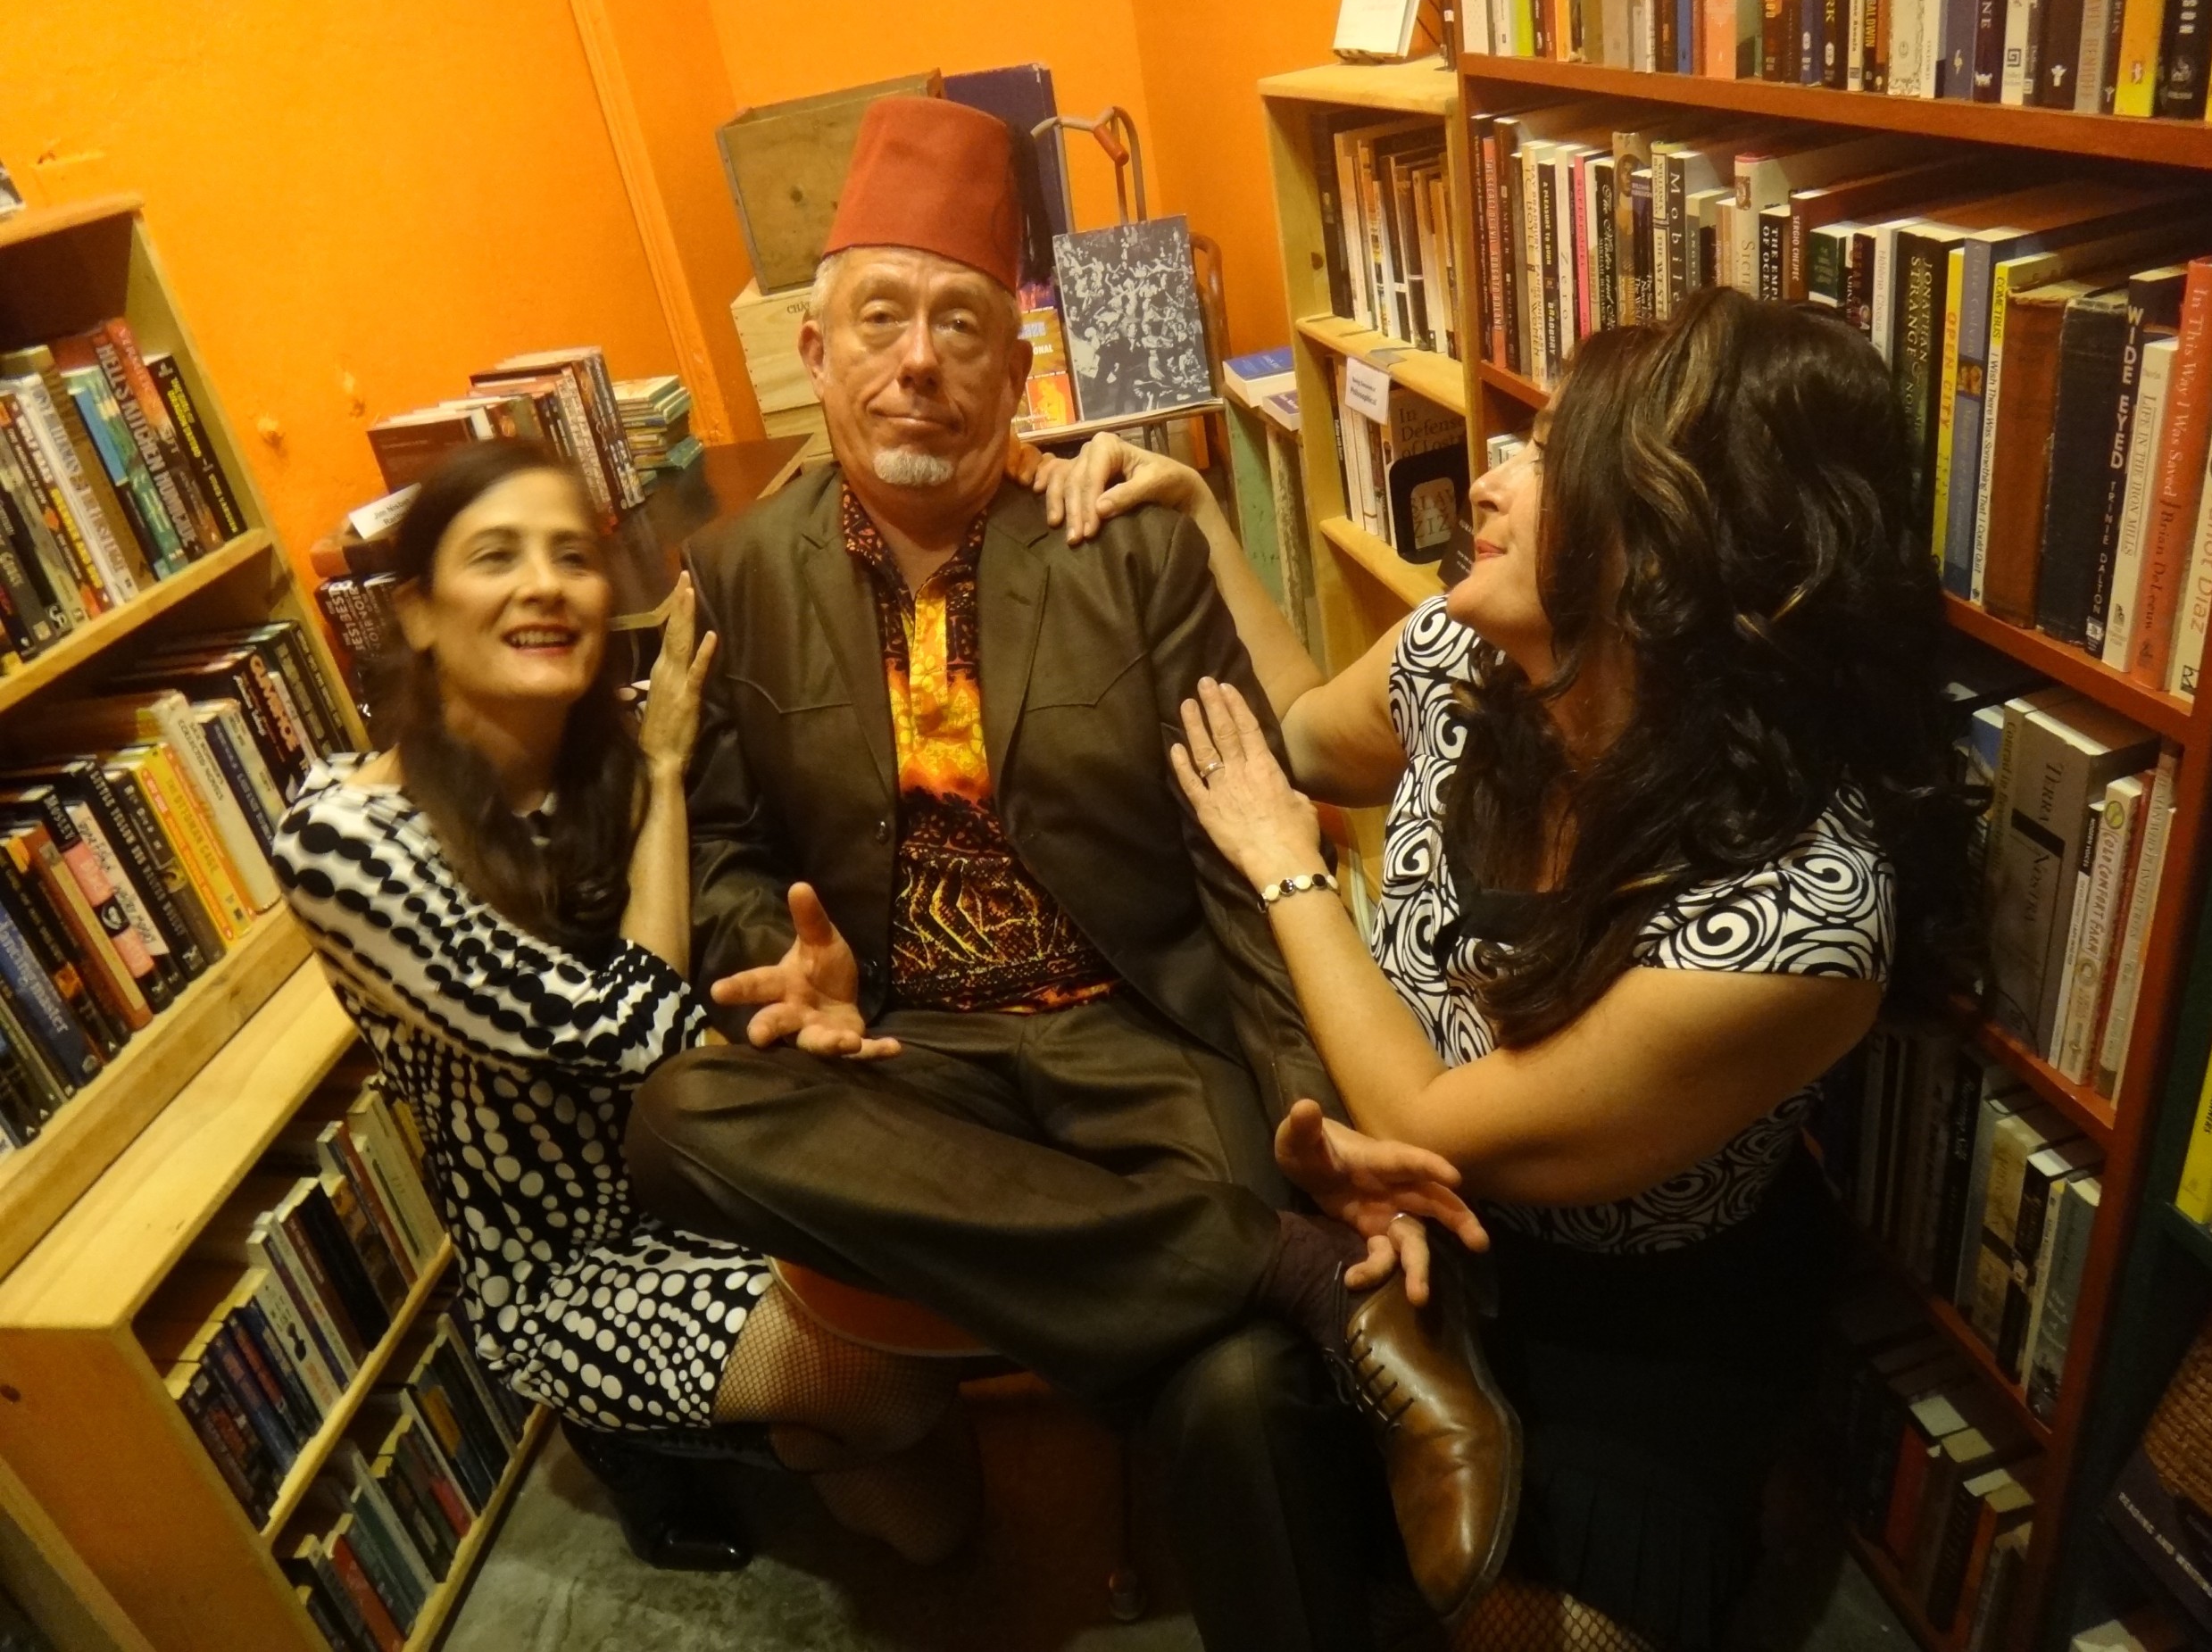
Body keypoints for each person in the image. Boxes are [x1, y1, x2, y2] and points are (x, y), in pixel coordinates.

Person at [622, 94, 1518, 1648]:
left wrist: (1305, 1100)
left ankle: (1258, 1305)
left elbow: (1242, 846)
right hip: (909, 1054)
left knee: (1233, 1386)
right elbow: (734, 846)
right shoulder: (736, 572)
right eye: (880, 319)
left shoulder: (1127, 548)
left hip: (1136, 1031)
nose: (919, 360)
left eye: (961, 324)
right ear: (815, 352)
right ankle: (1297, 1276)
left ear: (1016, 368)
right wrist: (787, 954)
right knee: (678, 1117)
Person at [1041, 291, 1973, 1651]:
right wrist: (1198, 522)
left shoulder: (1799, 918)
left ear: (1671, 543)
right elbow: (1297, 732)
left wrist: (1289, 869)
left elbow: (1425, 1115)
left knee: (1520, 1623)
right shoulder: (1467, 654)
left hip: (1628, 1313)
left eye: (1549, 456)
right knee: (1237, 1433)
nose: (1488, 477)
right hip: (1377, 1216)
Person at [271, 438, 980, 1574]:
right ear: (416, 612)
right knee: (889, 1385)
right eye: (495, 556)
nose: (544, 584)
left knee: (939, 1486)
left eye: (571, 555)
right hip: (573, 1263)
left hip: (716, 1172)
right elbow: (636, 1036)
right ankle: (649, 1433)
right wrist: (660, 778)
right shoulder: (344, 844)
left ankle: (788, 1427)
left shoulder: (604, 746)